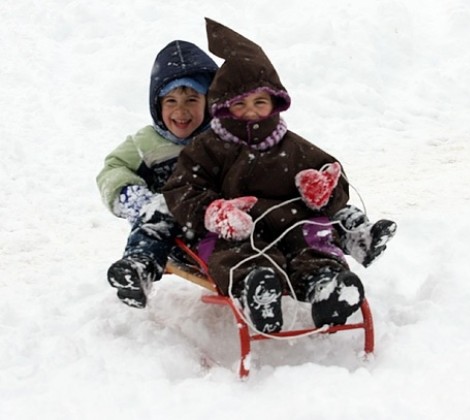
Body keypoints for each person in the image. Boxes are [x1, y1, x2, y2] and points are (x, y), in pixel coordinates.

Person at [163, 18, 396, 333]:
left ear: (275, 103)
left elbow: (335, 178)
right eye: (240, 104)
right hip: (236, 228)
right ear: (222, 108)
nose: (251, 111)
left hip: (291, 223)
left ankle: (326, 288)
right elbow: (181, 188)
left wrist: (324, 188)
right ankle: (259, 293)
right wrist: (212, 211)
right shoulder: (207, 148)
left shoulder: (292, 146)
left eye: (260, 102)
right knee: (235, 253)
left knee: (314, 241)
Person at [96, 40, 219, 308]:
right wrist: (131, 197)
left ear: (209, 101)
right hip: (172, 237)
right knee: (158, 212)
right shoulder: (147, 142)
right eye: (171, 100)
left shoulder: (221, 138)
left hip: (214, 228)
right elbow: (112, 168)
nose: (181, 110)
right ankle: (139, 268)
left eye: (192, 99)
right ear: (157, 105)